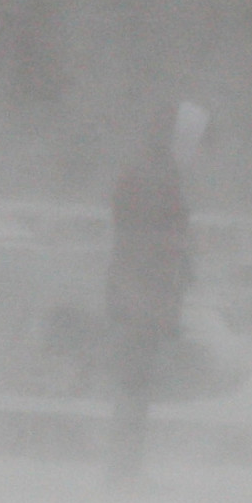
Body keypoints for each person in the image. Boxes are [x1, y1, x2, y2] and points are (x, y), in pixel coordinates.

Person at [103, 101, 206, 481]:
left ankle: (126, 468)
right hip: (141, 291)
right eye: (193, 140)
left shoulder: (157, 172)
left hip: (142, 289)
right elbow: (148, 238)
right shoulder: (153, 176)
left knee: (137, 382)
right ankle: (123, 471)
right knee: (135, 382)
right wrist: (176, 259)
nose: (198, 151)